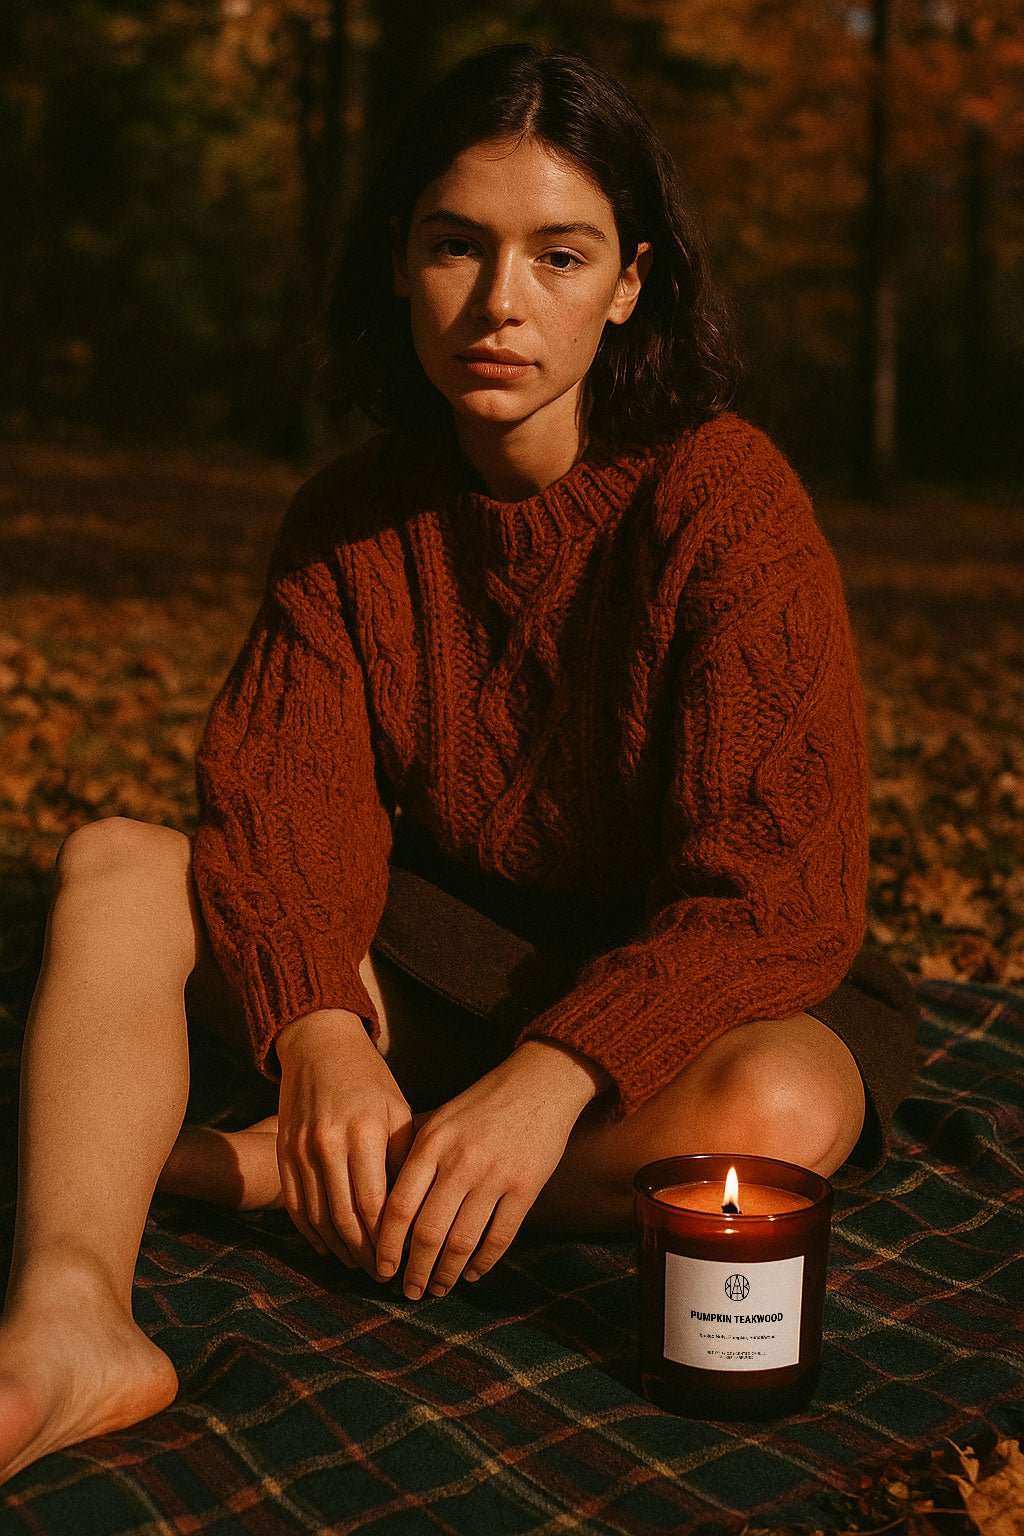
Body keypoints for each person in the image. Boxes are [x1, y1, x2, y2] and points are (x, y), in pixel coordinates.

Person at [0, 41, 920, 1483]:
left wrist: (555, 1075)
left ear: (631, 283)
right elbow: (279, 808)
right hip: (437, 959)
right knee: (117, 867)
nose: (501, 301)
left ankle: (297, 1173)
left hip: (685, 996)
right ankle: (70, 1314)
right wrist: (317, 1034)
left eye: (560, 255)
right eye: (456, 246)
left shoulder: (725, 500)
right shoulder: (351, 518)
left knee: (784, 1109)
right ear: (399, 264)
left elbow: (776, 892)